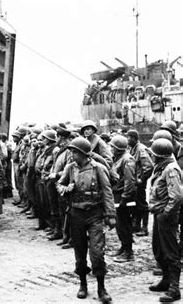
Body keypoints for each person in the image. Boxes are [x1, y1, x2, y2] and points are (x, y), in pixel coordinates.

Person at [57, 137, 115, 303]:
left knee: (97, 253)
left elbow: (107, 192)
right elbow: (59, 184)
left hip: (95, 214)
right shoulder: (70, 168)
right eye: (72, 151)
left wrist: (111, 215)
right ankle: (82, 284)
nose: (72, 154)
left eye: (75, 152)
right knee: (79, 252)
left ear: (83, 153)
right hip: (76, 214)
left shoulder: (99, 168)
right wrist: (65, 189)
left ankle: (101, 287)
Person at [148, 138, 182, 303]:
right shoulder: (161, 167)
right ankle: (166, 280)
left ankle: (174, 288)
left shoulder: (170, 170)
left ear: (159, 155)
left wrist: (166, 214)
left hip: (166, 216)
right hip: (159, 215)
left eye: (153, 154)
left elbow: (177, 197)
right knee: (159, 250)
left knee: (170, 252)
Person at [109, 135, 137, 263]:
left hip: (124, 197)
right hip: (118, 195)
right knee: (120, 225)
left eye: (112, 147)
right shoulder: (118, 158)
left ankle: (128, 252)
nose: (111, 149)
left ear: (118, 148)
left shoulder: (127, 160)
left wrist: (125, 198)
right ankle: (123, 247)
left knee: (125, 225)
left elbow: (130, 181)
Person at [127, 129, 153, 236]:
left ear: (134, 138)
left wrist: (142, 179)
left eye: (128, 137)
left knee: (142, 205)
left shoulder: (141, 149)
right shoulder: (133, 149)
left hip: (139, 183)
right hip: (134, 182)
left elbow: (148, 166)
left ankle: (145, 228)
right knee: (136, 204)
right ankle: (136, 225)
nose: (127, 139)